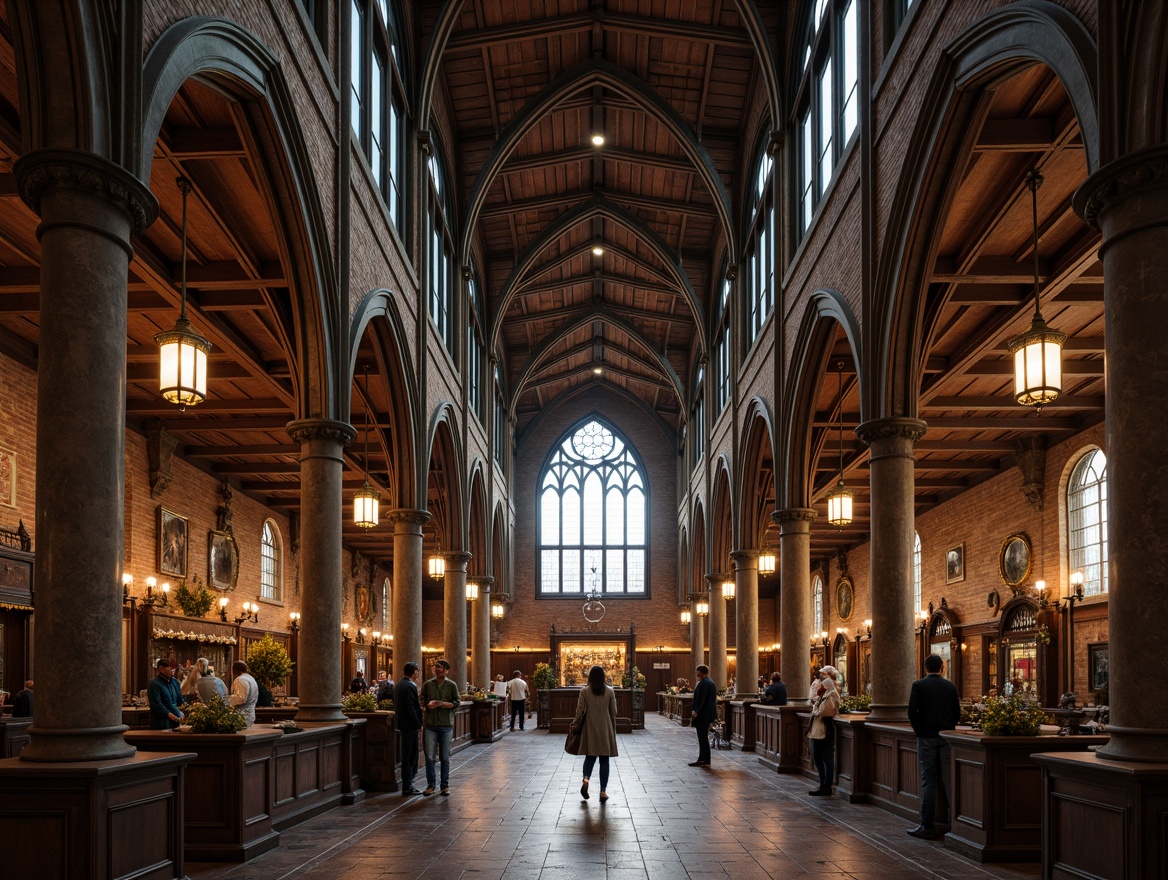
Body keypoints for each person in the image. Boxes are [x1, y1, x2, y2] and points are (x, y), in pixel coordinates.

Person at [907, 654, 961, 840]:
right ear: (942, 667)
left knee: (928, 781)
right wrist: (948, 728)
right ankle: (953, 824)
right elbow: (957, 713)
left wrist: (920, 730)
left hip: (927, 738)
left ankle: (927, 825)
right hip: (946, 738)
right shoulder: (950, 686)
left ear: (925, 668)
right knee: (949, 781)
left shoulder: (919, 685)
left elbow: (912, 712)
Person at [573, 664, 618, 802]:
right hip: (605, 728)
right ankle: (603, 791)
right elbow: (614, 712)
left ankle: (586, 779)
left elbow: (579, 711)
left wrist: (575, 723)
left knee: (590, 756)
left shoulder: (584, 691)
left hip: (590, 727)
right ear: (603, 676)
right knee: (604, 759)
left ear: (590, 676)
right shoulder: (610, 691)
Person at [420, 658, 460, 796]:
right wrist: (425, 706)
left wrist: (441, 704)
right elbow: (422, 700)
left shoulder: (451, 685)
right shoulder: (428, 684)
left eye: (440, 667)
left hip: (446, 724)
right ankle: (431, 785)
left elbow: (456, 702)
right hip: (430, 724)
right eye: (436, 667)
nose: (437, 669)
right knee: (429, 756)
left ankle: (445, 785)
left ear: (446, 670)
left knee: (444, 756)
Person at [808, 665, 841, 795]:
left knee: (826, 759)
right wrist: (816, 709)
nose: (819, 687)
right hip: (817, 731)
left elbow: (823, 712)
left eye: (821, 685)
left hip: (824, 731)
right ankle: (822, 784)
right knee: (817, 757)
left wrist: (815, 710)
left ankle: (826, 786)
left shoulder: (831, 695)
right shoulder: (823, 696)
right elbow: (816, 709)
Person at [393, 662, 424, 796]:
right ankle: (408, 785)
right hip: (410, 725)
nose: (418, 674)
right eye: (418, 671)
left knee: (407, 754)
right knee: (410, 756)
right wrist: (418, 723)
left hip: (403, 724)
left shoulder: (399, 685)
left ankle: (408, 784)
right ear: (415, 672)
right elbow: (411, 707)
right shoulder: (409, 686)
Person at [689, 664, 717, 766]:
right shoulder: (708, 682)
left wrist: (695, 710)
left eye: (697, 671)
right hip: (706, 713)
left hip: (703, 714)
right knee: (703, 737)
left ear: (702, 672)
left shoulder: (705, 683)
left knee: (702, 737)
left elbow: (702, 699)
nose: (696, 673)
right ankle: (704, 758)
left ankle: (703, 759)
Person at [147, 659, 183, 730]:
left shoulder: (175, 682)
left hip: (177, 721)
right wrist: (170, 715)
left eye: (174, 668)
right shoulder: (154, 683)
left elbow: (180, 700)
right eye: (170, 668)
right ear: (161, 669)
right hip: (161, 722)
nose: (173, 670)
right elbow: (157, 704)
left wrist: (183, 711)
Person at [229, 659, 259, 726]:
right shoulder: (251, 679)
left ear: (237, 669)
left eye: (233, 669)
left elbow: (241, 698)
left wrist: (227, 699)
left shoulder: (240, 679)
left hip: (241, 715)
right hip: (251, 714)